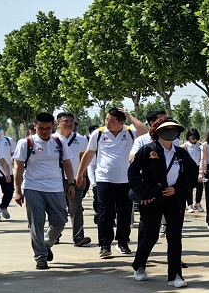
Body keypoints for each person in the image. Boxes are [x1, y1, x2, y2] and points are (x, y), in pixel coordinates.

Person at [129, 117, 198, 287]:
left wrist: (178, 189)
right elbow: (133, 173)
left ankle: (175, 275)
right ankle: (139, 266)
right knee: (150, 235)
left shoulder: (181, 153)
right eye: (167, 129)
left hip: (174, 200)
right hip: (152, 200)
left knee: (174, 237)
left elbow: (192, 176)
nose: (171, 132)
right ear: (157, 132)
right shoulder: (147, 150)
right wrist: (145, 193)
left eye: (174, 129)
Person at [76, 108, 148, 258]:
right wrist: (80, 173)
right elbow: (89, 154)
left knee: (124, 213)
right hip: (104, 179)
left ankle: (123, 242)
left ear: (122, 123)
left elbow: (144, 130)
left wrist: (129, 115)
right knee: (105, 213)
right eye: (107, 119)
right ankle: (105, 245)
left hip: (126, 180)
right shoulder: (99, 133)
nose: (108, 123)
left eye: (112, 121)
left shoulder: (129, 132)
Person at [14, 113, 75, 270]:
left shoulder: (59, 142)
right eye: (41, 128)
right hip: (33, 188)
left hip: (56, 188)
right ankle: (41, 257)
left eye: (48, 128)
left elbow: (67, 164)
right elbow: (18, 167)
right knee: (36, 225)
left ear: (53, 127)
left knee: (60, 221)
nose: (45, 131)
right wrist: (18, 190)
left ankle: (46, 243)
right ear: (35, 126)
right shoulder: (26, 143)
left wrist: (71, 184)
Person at [56, 113, 91, 247]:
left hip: (76, 178)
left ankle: (78, 236)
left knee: (76, 207)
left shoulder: (81, 139)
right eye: (65, 121)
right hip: (56, 179)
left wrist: (84, 175)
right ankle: (55, 234)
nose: (69, 124)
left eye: (71, 121)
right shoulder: (52, 139)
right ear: (58, 123)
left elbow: (83, 158)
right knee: (57, 208)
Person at [184, 129, 204, 213]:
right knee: (189, 188)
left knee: (200, 187)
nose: (193, 140)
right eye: (192, 138)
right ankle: (190, 205)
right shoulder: (185, 146)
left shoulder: (201, 146)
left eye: (195, 138)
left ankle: (198, 203)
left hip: (198, 168)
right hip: (189, 169)